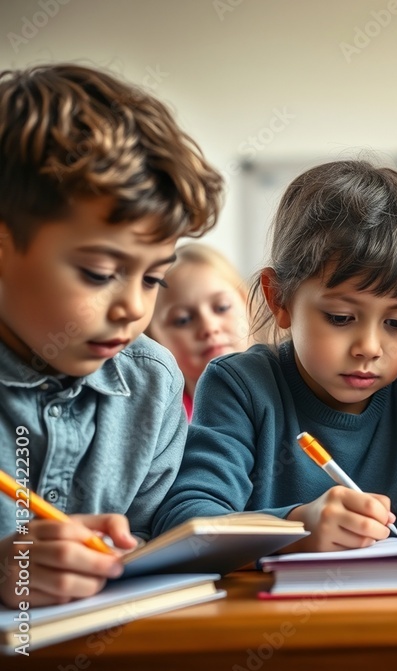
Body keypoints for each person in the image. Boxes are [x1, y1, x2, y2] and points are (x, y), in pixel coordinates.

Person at [0, 64, 223, 607]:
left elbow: (155, 541)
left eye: (154, 279)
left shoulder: (152, 381)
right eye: (100, 274)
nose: (132, 308)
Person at [152, 160, 397, 552]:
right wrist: (296, 526)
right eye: (341, 317)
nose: (370, 348)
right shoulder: (241, 386)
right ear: (279, 299)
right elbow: (188, 521)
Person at [146, 243, 251, 421]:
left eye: (221, 307)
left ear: (246, 302)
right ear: (152, 337)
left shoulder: (285, 389)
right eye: (183, 320)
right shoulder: (163, 422)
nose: (209, 327)